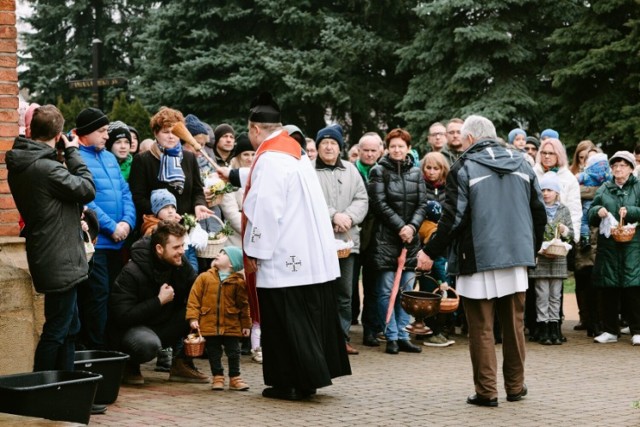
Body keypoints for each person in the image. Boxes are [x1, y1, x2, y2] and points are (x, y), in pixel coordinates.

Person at [418, 115, 546, 407]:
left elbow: (452, 219)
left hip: (477, 257)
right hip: (515, 258)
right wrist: (531, 249)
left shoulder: (463, 167)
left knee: (481, 328)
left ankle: (487, 392)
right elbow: (539, 212)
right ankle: (515, 386)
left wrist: (429, 251)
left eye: (463, 140)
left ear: (472, 139)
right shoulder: (524, 162)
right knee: (513, 327)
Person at [242, 92, 350, 401]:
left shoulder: (270, 159)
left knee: (285, 324)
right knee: (306, 321)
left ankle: (289, 381)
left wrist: (255, 251)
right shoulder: (295, 153)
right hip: (309, 254)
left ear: (253, 128)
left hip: (284, 258)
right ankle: (308, 379)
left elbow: (265, 206)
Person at [7, 105, 96, 371]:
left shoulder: (24, 161)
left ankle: (66, 390)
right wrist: (72, 152)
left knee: (69, 327)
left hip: (51, 252)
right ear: (58, 134)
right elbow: (87, 188)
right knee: (58, 329)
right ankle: (45, 392)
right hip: (59, 256)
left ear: (31, 130)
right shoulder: (45, 168)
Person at [109, 221, 210, 384]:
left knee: (208, 306)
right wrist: (159, 301)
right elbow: (121, 316)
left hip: (164, 324)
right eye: (176, 247)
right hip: (134, 329)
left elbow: (197, 287)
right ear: (159, 249)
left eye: (182, 245)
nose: (182, 251)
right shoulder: (131, 271)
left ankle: (181, 364)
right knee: (147, 344)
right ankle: (129, 364)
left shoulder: (180, 263)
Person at [368, 128, 437, 355]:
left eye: (401, 146)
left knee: (407, 291)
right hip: (387, 239)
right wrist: (400, 227)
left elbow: (422, 204)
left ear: (408, 148)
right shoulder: (379, 171)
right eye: (393, 146)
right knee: (387, 290)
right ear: (387, 148)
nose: (397, 150)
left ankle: (404, 334)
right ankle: (390, 335)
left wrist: (412, 227)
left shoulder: (416, 173)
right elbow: (379, 203)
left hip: (410, 241)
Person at [76, 108, 136, 351]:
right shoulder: (76, 158)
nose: (106, 136)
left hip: (118, 242)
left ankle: (114, 348)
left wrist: (127, 223)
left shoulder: (110, 158)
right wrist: (112, 227)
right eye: (101, 131)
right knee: (97, 297)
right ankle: (97, 350)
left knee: (115, 297)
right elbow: (86, 201)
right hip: (97, 242)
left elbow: (125, 193)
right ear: (87, 133)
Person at [129, 107, 213, 272]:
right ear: (156, 133)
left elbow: (197, 190)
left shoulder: (188, 158)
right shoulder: (143, 160)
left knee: (190, 276)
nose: (171, 136)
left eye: (175, 132)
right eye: (166, 131)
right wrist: (161, 213)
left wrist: (198, 204)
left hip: (186, 231)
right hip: (159, 233)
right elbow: (138, 197)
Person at [314, 124, 369, 355]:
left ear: (340, 147)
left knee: (344, 293)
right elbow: (309, 201)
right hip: (318, 242)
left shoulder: (350, 170)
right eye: (324, 143)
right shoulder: (307, 171)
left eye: (333, 143)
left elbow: (362, 198)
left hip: (347, 242)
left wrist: (347, 217)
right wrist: (332, 215)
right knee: (319, 292)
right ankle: (319, 338)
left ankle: (341, 337)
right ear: (317, 147)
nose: (328, 147)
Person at [588, 151, 640, 346]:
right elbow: (590, 213)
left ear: (630, 168)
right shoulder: (604, 188)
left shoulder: (638, 187)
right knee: (609, 288)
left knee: (633, 287)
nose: (618, 169)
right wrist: (597, 211)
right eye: (615, 166)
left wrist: (632, 211)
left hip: (632, 245)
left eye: (623, 165)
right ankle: (610, 330)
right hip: (609, 245)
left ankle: (637, 330)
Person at [187, 246, 251, 391]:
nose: (218, 254)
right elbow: (194, 299)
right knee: (214, 352)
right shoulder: (204, 277)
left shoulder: (239, 283)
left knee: (234, 352)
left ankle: (235, 377)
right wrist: (193, 317)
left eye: (223, 254)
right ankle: (218, 377)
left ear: (232, 264)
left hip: (231, 324)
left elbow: (244, 305)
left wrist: (246, 325)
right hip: (209, 324)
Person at [528, 172, 574, 345]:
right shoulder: (536, 209)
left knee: (555, 294)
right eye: (543, 190)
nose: (546, 193)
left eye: (550, 190)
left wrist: (565, 231)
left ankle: (555, 327)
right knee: (542, 294)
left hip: (558, 258)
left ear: (557, 192)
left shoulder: (564, 210)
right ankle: (542, 326)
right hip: (542, 257)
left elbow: (571, 235)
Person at [418, 151, 455, 347]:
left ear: (443, 170)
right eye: (428, 168)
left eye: (436, 168)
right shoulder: (420, 188)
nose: (432, 172)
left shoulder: (449, 190)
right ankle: (427, 327)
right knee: (427, 287)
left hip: (445, 245)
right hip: (425, 246)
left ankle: (443, 327)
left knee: (445, 286)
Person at [353, 132, 385, 346]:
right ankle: (349, 322)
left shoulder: (384, 171)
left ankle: (370, 330)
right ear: (359, 150)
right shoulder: (350, 171)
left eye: (374, 150)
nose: (370, 154)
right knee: (349, 283)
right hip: (353, 235)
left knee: (373, 285)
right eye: (366, 150)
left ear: (381, 151)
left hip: (376, 238)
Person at [577, 151, 611, 248]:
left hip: (587, 202)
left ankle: (585, 238)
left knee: (584, 220)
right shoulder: (607, 175)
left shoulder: (586, 174)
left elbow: (575, 181)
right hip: (602, 204)